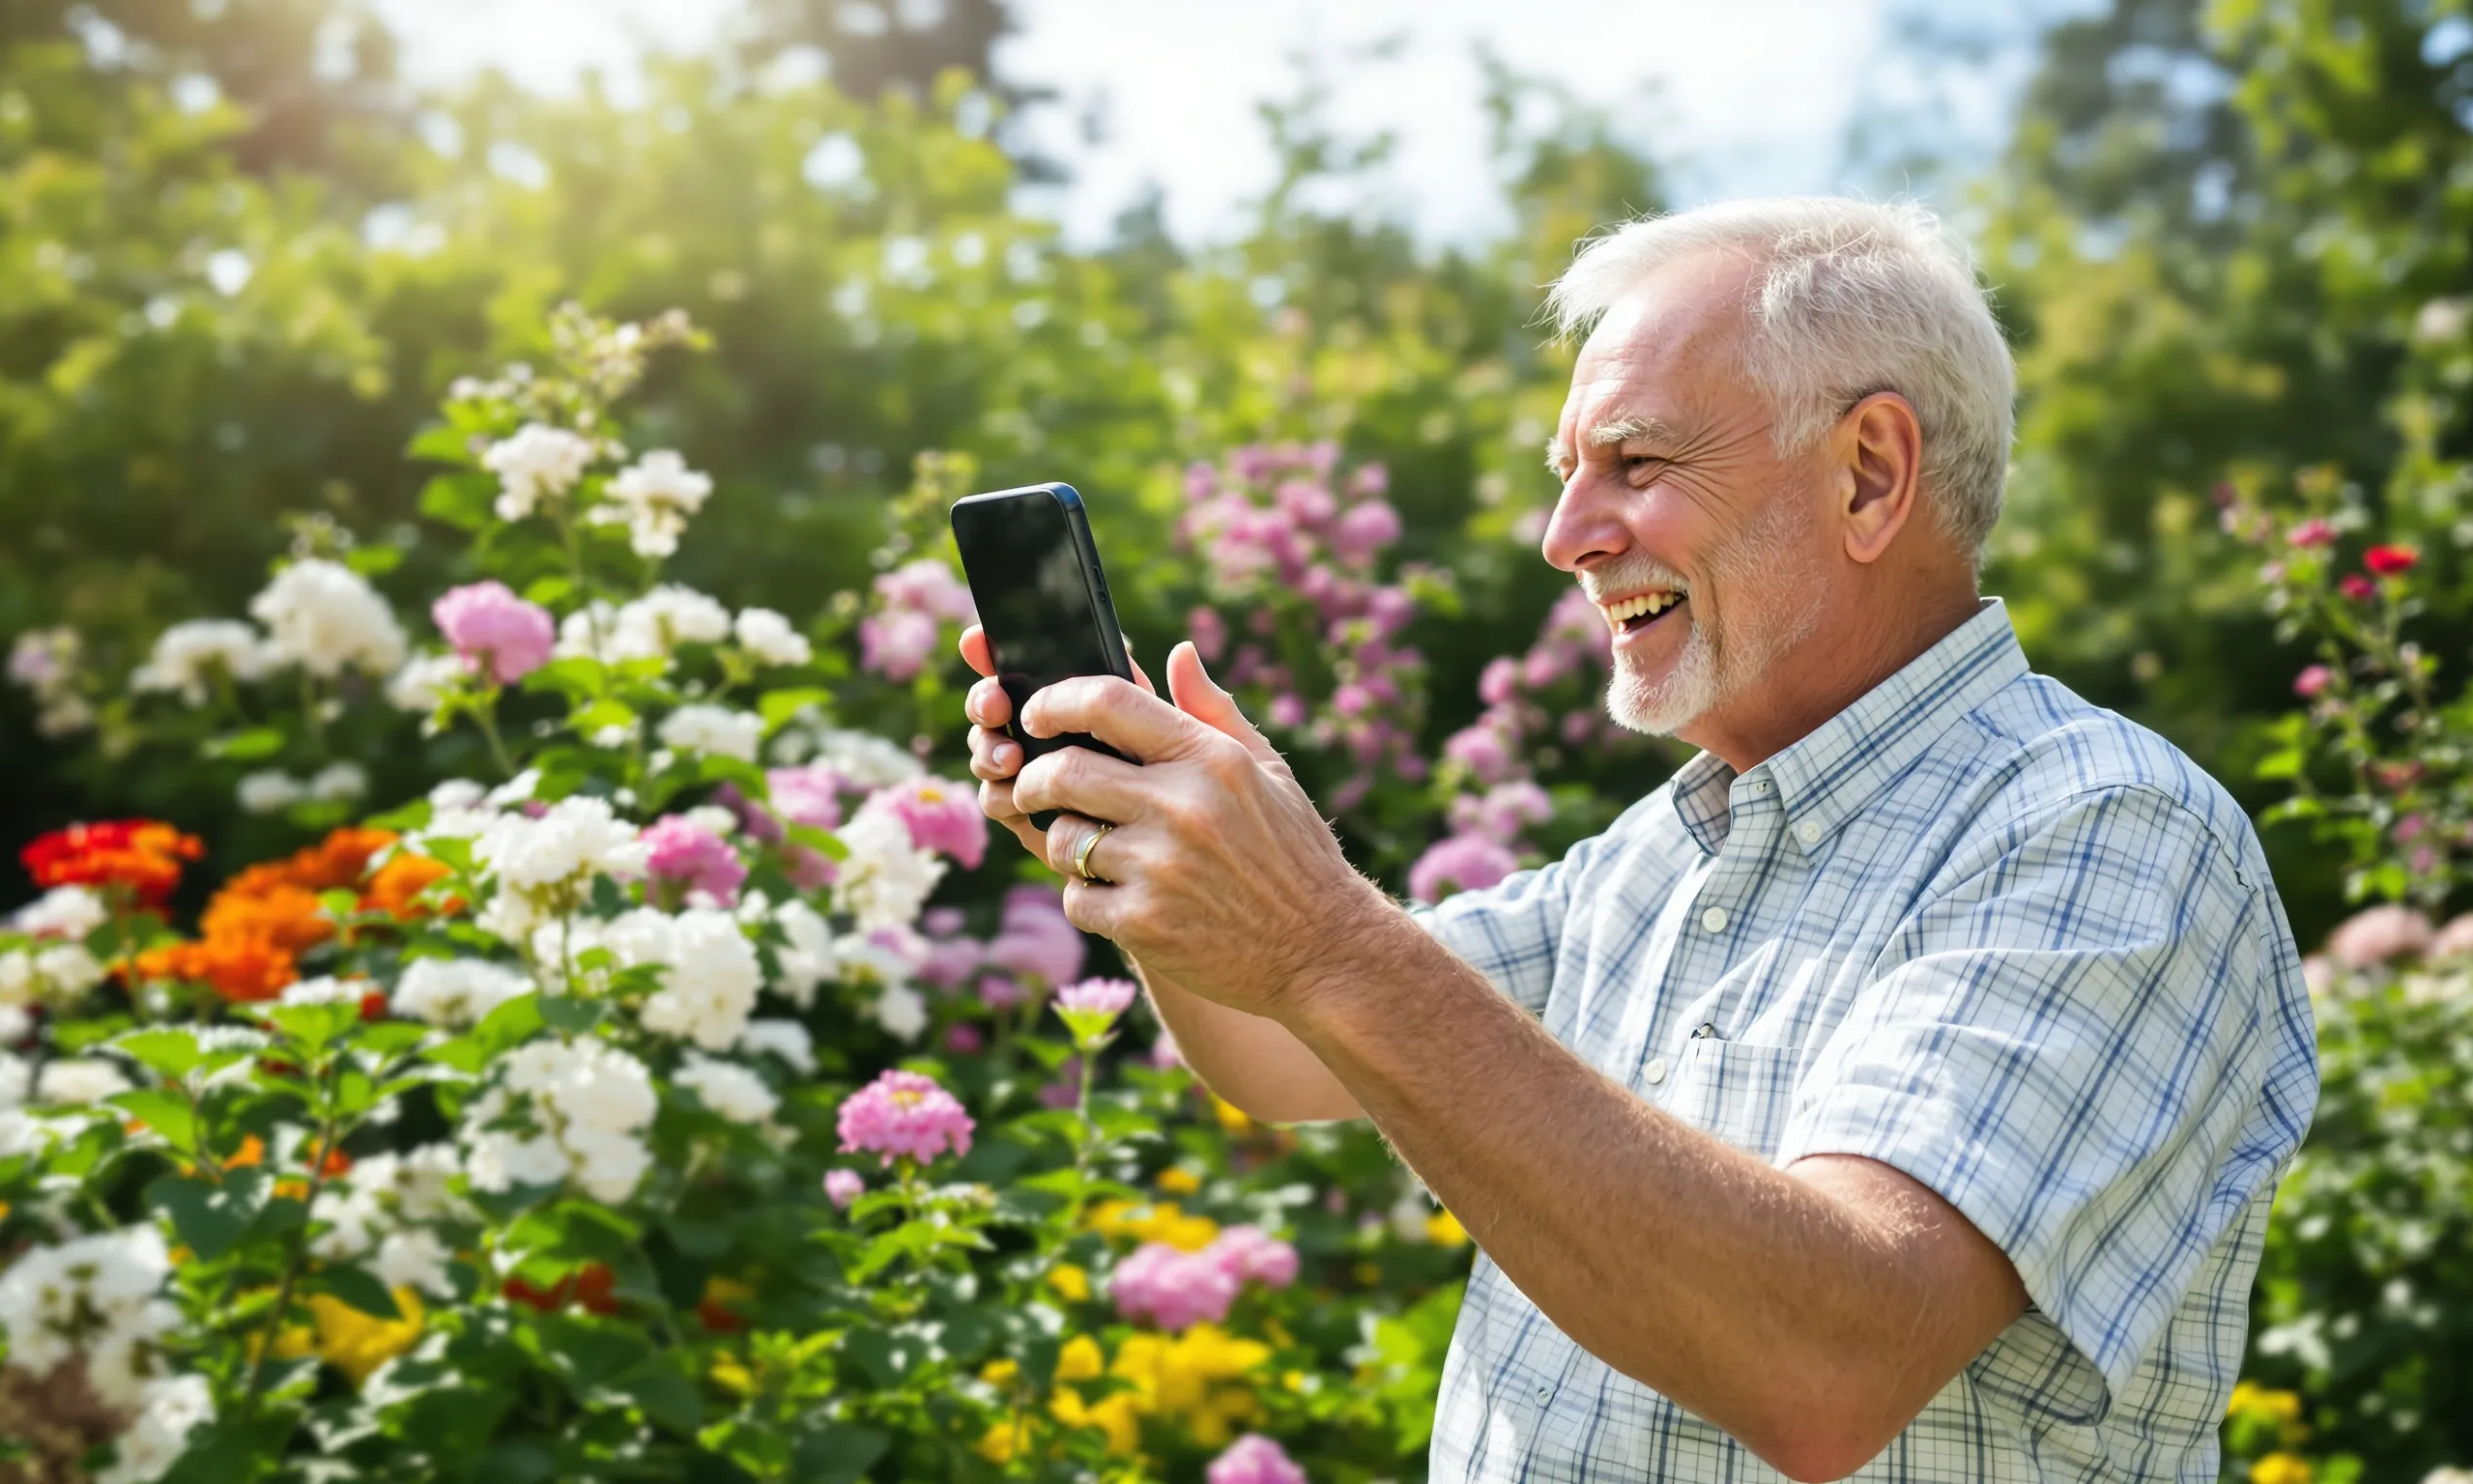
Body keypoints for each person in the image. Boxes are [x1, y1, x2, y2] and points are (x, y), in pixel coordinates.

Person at [959, 197, 2316, 1483]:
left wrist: (1319, 930)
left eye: (1636, 462)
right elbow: (1282, 1050)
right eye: (1569, 475)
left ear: (1870, 472)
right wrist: (1158, 846)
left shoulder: (2104, 830)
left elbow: (1831, 1359)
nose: (1564, 539)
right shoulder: (1661, 855)